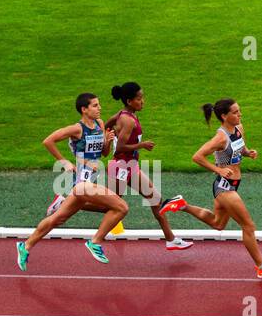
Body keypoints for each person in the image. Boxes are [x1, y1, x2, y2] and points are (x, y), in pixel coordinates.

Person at [160, 98, 262, 279]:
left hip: (233, 184)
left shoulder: (239, 128)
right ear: (224, 116)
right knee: (248, 225)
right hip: (224, 187)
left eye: (239, 111)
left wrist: (248, 153)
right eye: (235, 112)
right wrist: (218, 169)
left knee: (218, 224)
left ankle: (181, 204)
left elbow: (239, 147)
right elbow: (197, 157)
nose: (240, 114)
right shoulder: (220, 137)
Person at [17, 93, 128, 270]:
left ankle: (26, 245)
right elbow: (48, 141)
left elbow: (104, 154)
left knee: (57, 219)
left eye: (99, 105)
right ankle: (95, 242)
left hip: (86, 184)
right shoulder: (77, 129)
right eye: (95, 105)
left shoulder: (100, 125)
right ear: (84, 109)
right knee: (121, 207)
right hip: (82, 184)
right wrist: (64, 161)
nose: (99, 108)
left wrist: (107, 142)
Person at [104, 82, 192, 251]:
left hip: (130, 167)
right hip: (120, 168)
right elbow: (121, 147)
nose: (142, 101)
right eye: (139, 98)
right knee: (109, 206)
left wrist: (108, 133)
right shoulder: (128, 120)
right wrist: (141, 145)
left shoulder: (124, 114)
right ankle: (72, 204)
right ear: (130, 101)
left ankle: (170, 239)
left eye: (142, 97)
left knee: (155, 199)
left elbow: (108, 124)